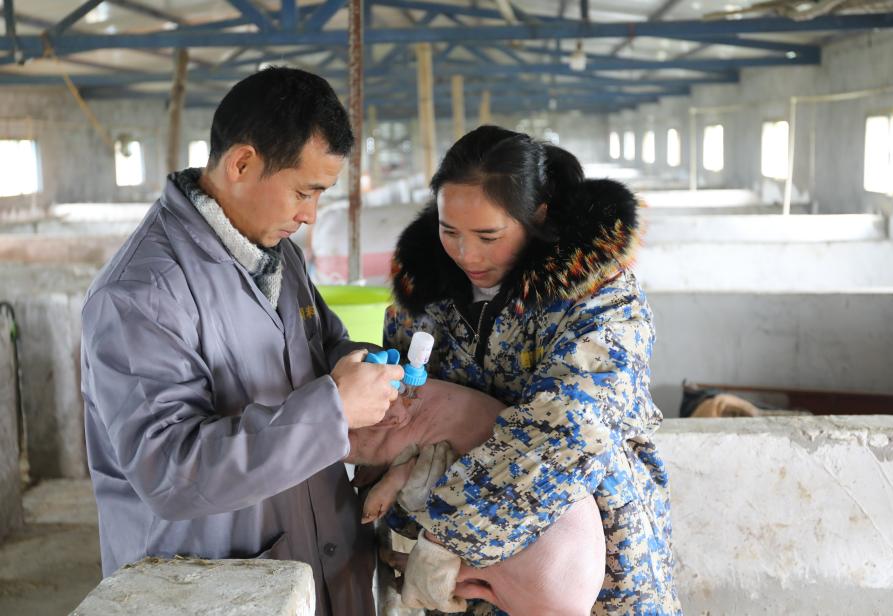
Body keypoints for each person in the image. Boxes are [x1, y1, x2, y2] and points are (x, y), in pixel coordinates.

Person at [80, 68, 403, 616]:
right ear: (242, 164)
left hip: (320, 555)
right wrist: (333, 410)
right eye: (303, 192)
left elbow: (322, 342)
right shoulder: (140, 294)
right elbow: (170, 470)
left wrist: (359, 366)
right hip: (220, 586)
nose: (309, 216)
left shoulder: (276, 253)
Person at [382, 125, 682, 614]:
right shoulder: (425, 297)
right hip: (464, 577)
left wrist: (449, 536)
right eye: (449, 231)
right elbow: (406, 405)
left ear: (537, 214)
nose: (466, 254)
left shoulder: (599, 300)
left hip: (585, 570)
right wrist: (405, 489)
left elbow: (568, 429)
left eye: (488, 236)